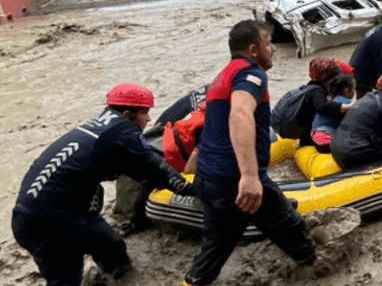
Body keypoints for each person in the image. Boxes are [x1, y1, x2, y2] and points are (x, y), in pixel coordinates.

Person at [12, 83, 195, 286]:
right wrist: (194, 190)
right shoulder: (123, 133)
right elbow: (158, 170)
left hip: (28, 215)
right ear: (127, 114)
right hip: (53, 221)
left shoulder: (97, 128)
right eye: (144, 113)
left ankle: (112, 277)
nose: (149, 119)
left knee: (111, 247)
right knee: (67, 276)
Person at [183, 20, 316, 286]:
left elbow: (214, 124)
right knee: (291, 227)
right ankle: (315, 268)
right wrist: (250, 176)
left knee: (215, 246)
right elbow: (240, 114)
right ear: (254, 49)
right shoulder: (250, 74)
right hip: (236, 178)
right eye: (269, 44)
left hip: (211, 176)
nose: (274, 49)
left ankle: (193, 282)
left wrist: (195, 164)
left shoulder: (222, 76)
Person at [295, 56, 352, 147]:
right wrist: (345, 107)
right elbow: (322, 107)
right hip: (309, 139)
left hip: (310, 135)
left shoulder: (312, 89)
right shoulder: (317, 92)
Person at [310, 73, 356, 153]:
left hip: (316, 140)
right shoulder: (346, 103)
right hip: (327, 143)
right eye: (354, 89)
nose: (355, 91)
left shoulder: (328, 99)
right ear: (346, 91)